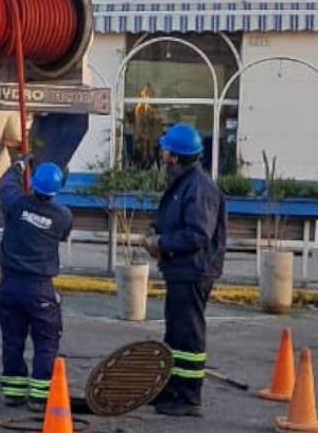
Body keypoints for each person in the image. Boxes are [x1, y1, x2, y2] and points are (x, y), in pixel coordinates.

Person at [143, 122, 228, 418]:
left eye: (166, 150)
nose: (162, 153)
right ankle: (171, 389)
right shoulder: (184, 182)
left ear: (176, 156)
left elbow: (198, 234)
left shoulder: (198, 187)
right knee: (176, 335)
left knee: (188, 336)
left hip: (193, 270)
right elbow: (176, 219)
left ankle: (188, 397)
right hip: (181, 269)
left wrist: (161, 242)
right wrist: (156, 229)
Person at [0, 160, 73, 411]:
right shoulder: (62, 216)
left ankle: (13, 393)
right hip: (39, 288)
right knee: (46, 342)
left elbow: (6, 186)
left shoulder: (16, 204)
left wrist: (18, 166)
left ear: (33, 183)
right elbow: (62, 234)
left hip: (9, 285)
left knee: (12, 340)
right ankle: (40, 397)